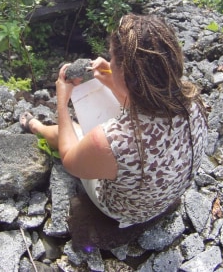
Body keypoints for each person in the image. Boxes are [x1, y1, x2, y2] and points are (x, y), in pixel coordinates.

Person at [21, 13, 208, 228]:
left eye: (112, 59)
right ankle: (40, 127)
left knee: (73, 129)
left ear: (126, 72)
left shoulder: (112, 142)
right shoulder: (192, 101)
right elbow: (143, 107)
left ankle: (36, 127)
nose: (108, 62)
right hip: (165, 194)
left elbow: (70, 160)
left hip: (125, 211)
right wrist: (111, 76)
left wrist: (62, 103)